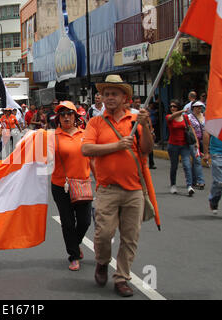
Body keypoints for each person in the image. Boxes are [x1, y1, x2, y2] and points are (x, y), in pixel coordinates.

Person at [81, 74, 154, 297]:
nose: (109, 98)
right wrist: (117, 146)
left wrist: (146, 125)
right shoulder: (96, 122)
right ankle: (102, 262)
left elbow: (147, 149)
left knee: (130, 238)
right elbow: (86, 149)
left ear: (125, 98)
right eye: (106, 94)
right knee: (103, 235)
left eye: (114, 94)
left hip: (134, 191)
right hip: (107, 189)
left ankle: (122, 278)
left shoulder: (135, 120)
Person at [51, 101, 93, 272]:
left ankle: (75, 244)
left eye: (69, 113)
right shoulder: (52, 137)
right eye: (62, 114)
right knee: (68, 223)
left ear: (76, 116)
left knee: (85, 221)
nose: (66, 117)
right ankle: (74, 255)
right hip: (61, 186)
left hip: (83, 184)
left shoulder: (87, 134)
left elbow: (94, 159)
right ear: (58, 118)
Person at [166, 99, 198, 196]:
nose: (172, 108)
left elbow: (190, 128)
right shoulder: (168, 117)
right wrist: (182, 111)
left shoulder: (185, 117)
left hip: (184, 145)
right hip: (173, 145)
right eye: (171, 106)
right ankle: (173, 185)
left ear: (178, 107)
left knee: (187, 165)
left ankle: (189, 186)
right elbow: (171, 117)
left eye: (174, 106)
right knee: (174, 166)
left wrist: (196, 141)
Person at [203, 131, 222, 214]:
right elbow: (206, 134)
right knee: (219, 182)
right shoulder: (215, 119)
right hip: (217, 153)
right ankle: (213, 201)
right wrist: (206, 153)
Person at [188, 101, 206, 189]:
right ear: (193, 108)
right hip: (193, 141)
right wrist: (195, 141)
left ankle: (193, 180)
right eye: (197, 107)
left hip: (203, 140)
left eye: (200, 107)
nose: (199, 108)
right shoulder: (189, 117)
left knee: (195, 161)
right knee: (197, 160)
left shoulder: (204, 116)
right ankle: (200, 181)